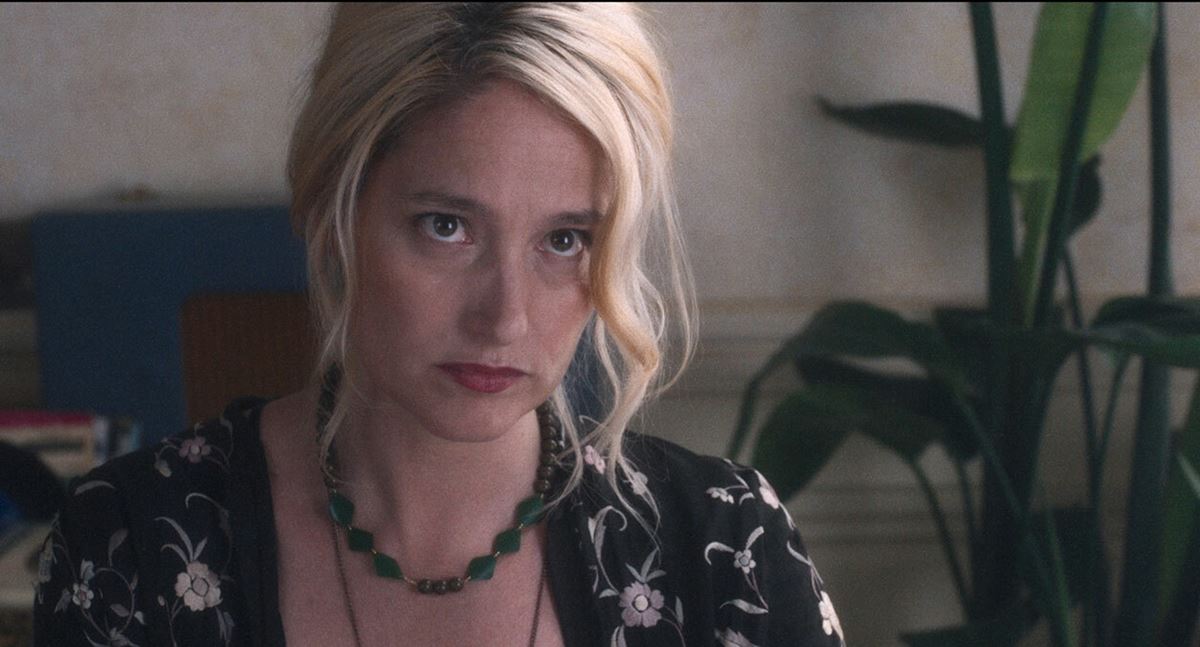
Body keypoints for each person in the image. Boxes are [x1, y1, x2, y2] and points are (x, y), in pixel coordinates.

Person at [33, 4, 845, 646]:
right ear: (332, 208)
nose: (505, 317)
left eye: (565, 240)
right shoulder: (130, 546)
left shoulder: (728, 551)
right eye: (447, 227)